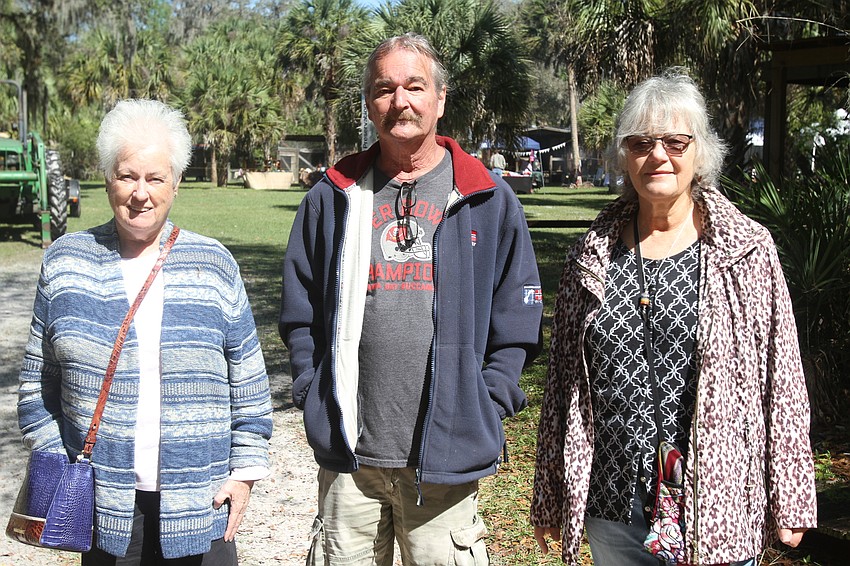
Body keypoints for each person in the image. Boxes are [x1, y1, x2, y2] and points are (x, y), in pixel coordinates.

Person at [530, 69, 817, 565]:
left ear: (700, 152)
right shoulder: (589, 257)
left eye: (675, 142)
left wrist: (791, 495)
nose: (658, 155)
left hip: (719, 497)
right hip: (613, 501)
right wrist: (550, 494)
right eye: (641, 143)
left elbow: (783, 378)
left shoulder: (745, 250)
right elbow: (562, 386)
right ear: (624, 155)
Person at [279, 32, 543, 564]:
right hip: (351, 457)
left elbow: (517, 314)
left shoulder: (486, 197)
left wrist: (489, 400)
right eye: (384, 89)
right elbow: (300, 309)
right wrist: (312, 388)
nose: (400, 101)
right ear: (368, 103)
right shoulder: (332, 196)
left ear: (440, 99)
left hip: (445, 457)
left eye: (415, 87)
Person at [17, 99, 274, 564]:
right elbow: (36, 389)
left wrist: (244, 474)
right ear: (107, 179)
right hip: (103, 509)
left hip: (201, 504)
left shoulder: (213, 264)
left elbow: (249, 384)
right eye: (127, 176)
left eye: (155, 178)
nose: (140, 193)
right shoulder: (66, 263)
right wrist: (63, 465)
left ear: (176, 182)